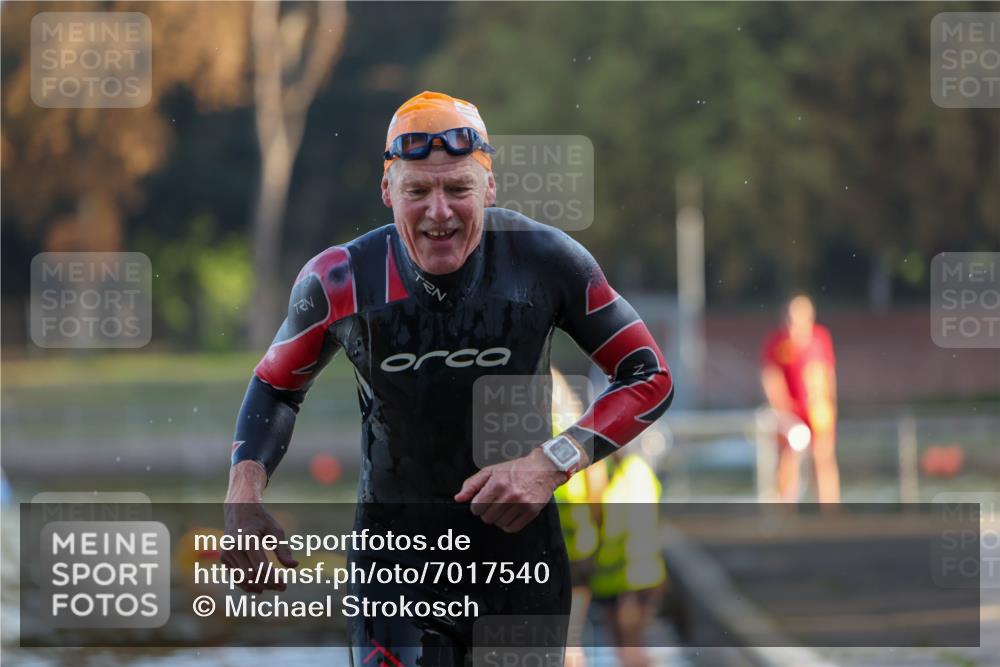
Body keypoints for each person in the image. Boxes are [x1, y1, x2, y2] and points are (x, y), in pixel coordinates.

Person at [223, 91, 675, 665]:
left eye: (458, 189)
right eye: (417, 191)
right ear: (388, 191)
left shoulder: (544, 261)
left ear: (489, 187)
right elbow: (275, 385)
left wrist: (550, 462)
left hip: (521, 571)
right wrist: (244, 491)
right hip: (394, 566)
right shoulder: (341, 281)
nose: (439, 212)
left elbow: (648, 374)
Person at [760, 294, 840, 503]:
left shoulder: (820, 338)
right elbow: (771, 376)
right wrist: (782, 409)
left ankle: (829, 508)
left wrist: (831, 404)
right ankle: (785, 506)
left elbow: (827, 373)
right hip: (791, 410)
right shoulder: (778, 342)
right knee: (789, 456)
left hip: (817, 408)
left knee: (823, 457)